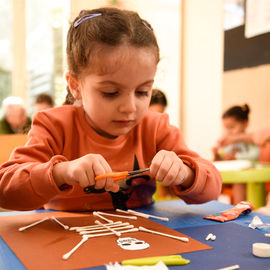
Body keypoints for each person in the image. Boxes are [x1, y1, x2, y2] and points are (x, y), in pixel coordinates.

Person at [0, 7, 222, 211]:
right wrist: (62, 172)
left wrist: (185, 173)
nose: (129, 107)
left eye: (143, 92)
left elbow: (213, 187)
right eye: (110, 93)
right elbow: (6, 190)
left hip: (141, 241)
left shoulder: (156, 127)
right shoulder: (53, 125)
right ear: (75, 86)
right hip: (64, 242)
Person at [213, 104, 260, 204]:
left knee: (239, 182)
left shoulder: (249, 140)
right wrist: (218, 153)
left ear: (245, 123)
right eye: (227, 128)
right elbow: (224, 153)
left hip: (246, 174)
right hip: (231, 173)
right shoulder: (230, 142)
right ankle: (211, 207)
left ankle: (239, 209)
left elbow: (254, 155)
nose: (229, 131)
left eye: (232, 127)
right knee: (214, 181)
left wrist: (236, 156)